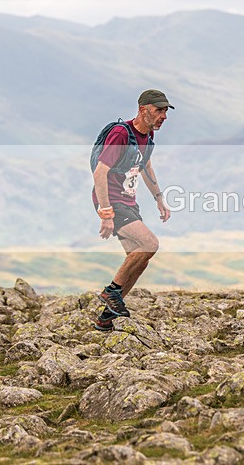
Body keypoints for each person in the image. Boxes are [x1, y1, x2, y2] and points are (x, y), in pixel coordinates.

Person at [91, 89, 173, 330]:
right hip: (112, 200)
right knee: (150, 244)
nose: (163, 116)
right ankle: (111, 292)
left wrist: (158, 197)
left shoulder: (147, 138)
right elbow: (100, 172)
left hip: (128, 201)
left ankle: (106, 318)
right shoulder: (121, 134)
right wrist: (106, 213)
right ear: (143, 110)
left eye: (166, 112)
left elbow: (145, 166)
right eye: (159, 110)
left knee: (140, 259)